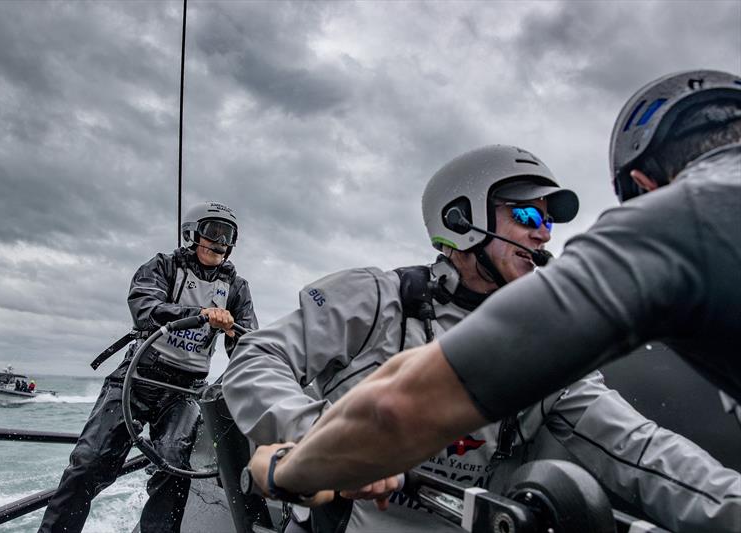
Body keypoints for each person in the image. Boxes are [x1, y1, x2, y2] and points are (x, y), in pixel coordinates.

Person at [247, 70, 741, 532]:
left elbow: (640, 451)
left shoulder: (549, 344)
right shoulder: (374, 297)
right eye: (526, 213)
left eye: (550, 221)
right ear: (459, 219)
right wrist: (319, 445)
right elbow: (258, 356)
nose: (544, 233)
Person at [39, 201, 258, 533]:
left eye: (228, 235)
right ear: (192, 232)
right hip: (140, 375)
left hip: (185, 390)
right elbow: (144, 306)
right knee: (90, 462)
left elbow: (249, 346)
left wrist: (234, 333)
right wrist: (199, 314)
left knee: (174, 463)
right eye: (213, 231)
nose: (220, 241)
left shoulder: (237, 289)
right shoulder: (163, 267)